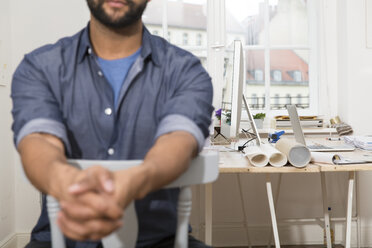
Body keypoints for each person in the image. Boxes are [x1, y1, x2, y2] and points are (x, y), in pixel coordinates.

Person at [11, 0, 214, 247]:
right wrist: (71, 186)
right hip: (59, 239)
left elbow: (178, 141)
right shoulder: (40, 67)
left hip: (160, 240)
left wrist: (135, 181)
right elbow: (39, 141)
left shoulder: (186, 71)